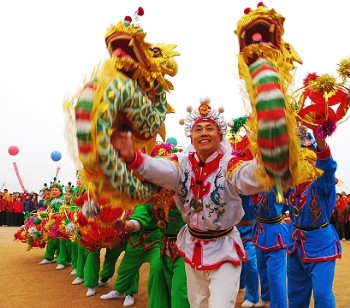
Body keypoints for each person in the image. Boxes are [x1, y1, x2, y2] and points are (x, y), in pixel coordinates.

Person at [111, 97, 284, 307]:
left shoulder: (230, 165)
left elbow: (251, 176)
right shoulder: (180, 164)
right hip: (193, 248)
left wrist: (272, 152)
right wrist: (133, 158)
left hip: (224, 248)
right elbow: (159, 170)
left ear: (220, 136)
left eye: (209, 128)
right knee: (197, 304)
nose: (203, 133)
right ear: (191, 137)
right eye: (198, 129)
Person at [286, 129, 342, 308]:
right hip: (295, 243)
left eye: (308, 157)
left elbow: (328, 168)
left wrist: (322, 145)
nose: (303, 161)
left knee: (322, 294)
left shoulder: (323, 183)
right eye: (298, 157)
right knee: (296, 294)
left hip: (321, 245)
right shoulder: (291, 185)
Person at [249, 190, 289, 307]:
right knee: (263, 270)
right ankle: (266, 297)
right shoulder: (252, 184)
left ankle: (279, 305)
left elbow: (283, 200)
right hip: (260, 231)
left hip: (276, 233)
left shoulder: (278, 184)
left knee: (275, 276)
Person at [237, 195, 264, 308]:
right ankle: (240, 285)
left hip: (251, 230)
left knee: (249, 260)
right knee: (237, 262)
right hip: (232, 230)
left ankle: (252, 296)